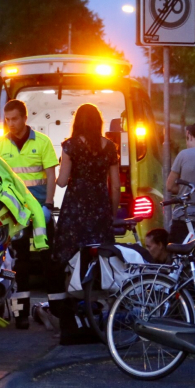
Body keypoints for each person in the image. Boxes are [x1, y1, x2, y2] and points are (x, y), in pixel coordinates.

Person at [53, 103, 120, 344]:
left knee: (70, 258)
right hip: (99, 207)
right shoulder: (109, 147)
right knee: (99, 260)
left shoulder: (70, 146)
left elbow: (61, 182)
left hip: (76, 208)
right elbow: (115, 186)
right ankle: (98, 314)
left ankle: (71, 318)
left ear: (77, 122)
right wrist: (110, 213)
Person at [0, 100, 59, 329]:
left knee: (50, 261)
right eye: (7, 119)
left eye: (15, 119)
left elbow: (51, 175)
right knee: (19, 265)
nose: (10, 123)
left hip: (39, 211)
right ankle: (20, 316)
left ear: (25, 118)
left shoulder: (42, 142)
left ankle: (57, 312)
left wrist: (48, 204)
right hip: (15, 214)